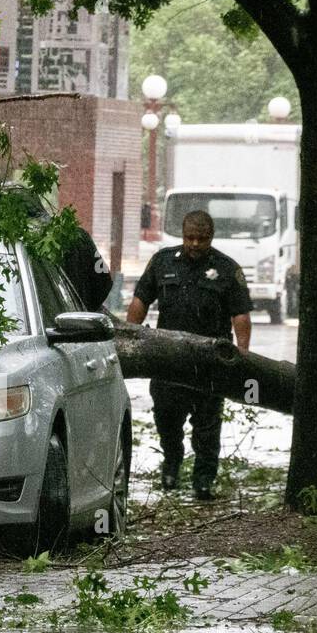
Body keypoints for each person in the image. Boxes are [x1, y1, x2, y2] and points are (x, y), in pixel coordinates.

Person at [126, 210, 252, 500]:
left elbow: (241, 315)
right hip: (168, 359)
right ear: (182, 235)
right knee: (166, 418)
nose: (195, 244)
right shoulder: (163, 261)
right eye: (190, 238)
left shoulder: (226, 269)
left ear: (211, 237)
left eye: (201, 239)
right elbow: (140, 300)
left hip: (210, 361)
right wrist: (128, 337)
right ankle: (171, 464)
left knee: (207, 425)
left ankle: (203, 479)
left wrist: (242, 357)